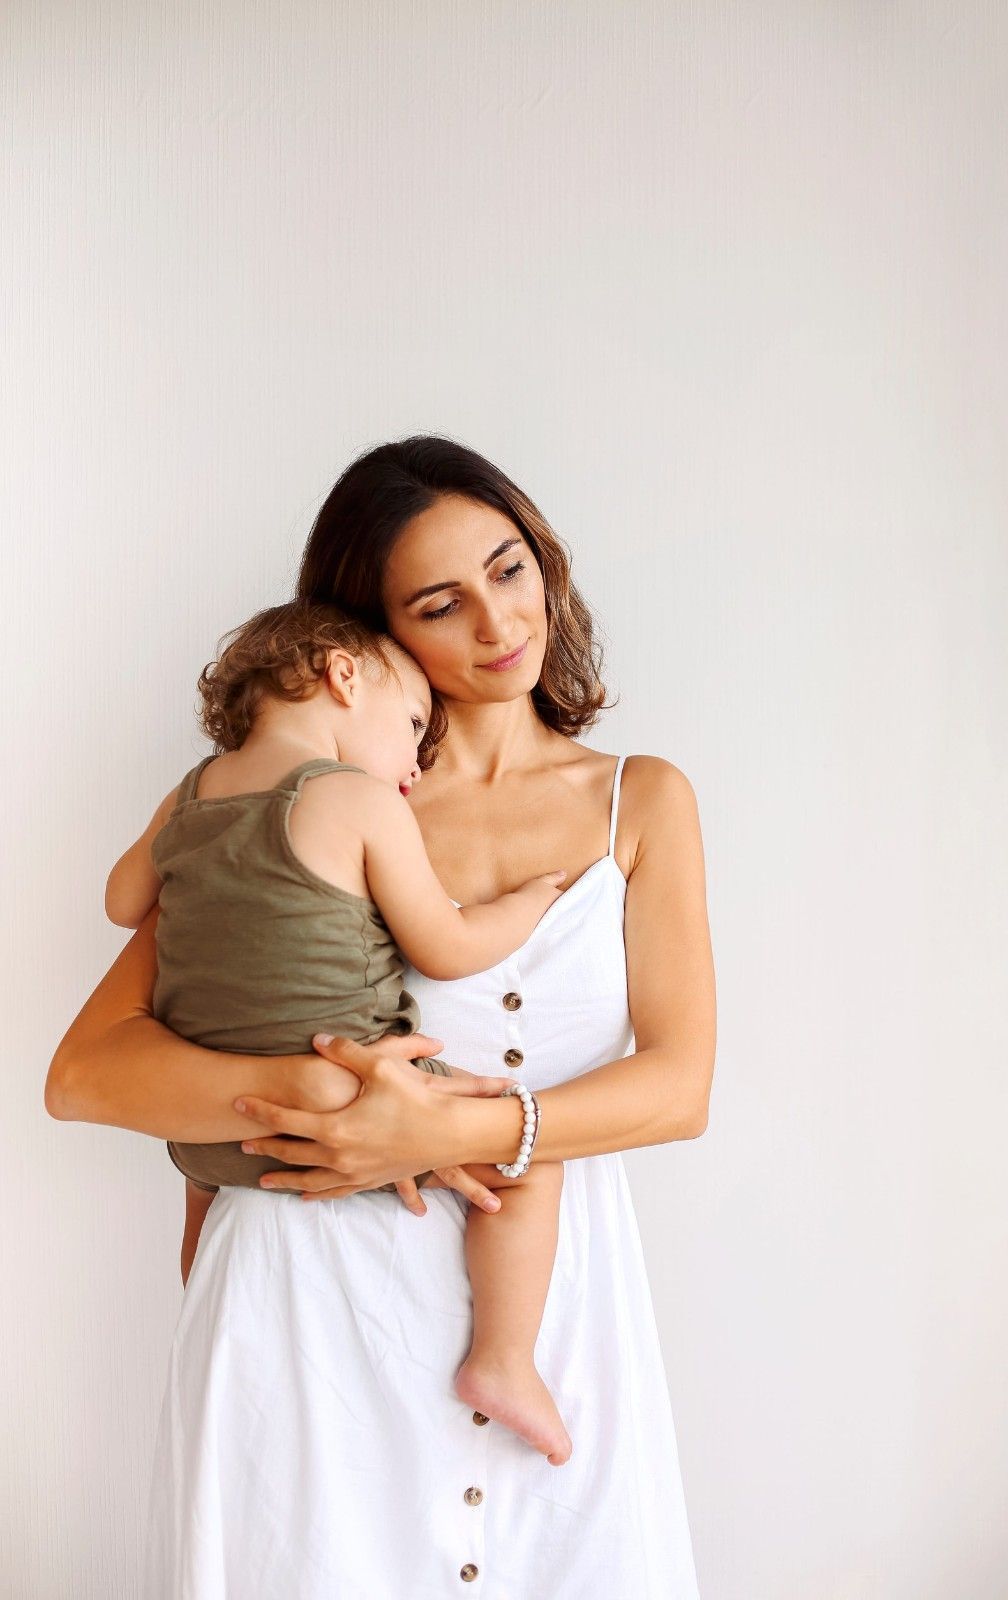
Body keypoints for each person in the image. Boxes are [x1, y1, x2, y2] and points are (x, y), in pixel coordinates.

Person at [46, 434, 716, 1599]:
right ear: (366, 638)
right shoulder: (309, 802)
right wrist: (325, 1101)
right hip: (309, 1305)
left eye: (509, 570)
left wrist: (446, 1130)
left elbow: (679, 1088)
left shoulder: (638, 802)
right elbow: (89, 1072)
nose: (497, 623)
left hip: (552, 1315)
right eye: (438, 602)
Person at [103, 596, 573, 1464]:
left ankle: (222, 1332)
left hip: (209, 1145)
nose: (414, 765)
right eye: (411, 725)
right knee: (524, 1154)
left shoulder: (190, 793)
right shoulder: (353, 797)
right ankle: (504, 1363)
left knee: (209, 1229)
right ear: (341, 676)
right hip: (357, 1100)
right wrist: (526, 903)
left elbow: (121, 900)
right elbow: (448, 943)